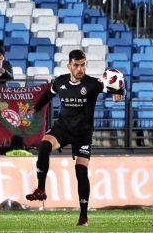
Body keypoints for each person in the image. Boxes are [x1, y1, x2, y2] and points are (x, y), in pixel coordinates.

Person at [25, 49, 125, 226]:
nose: (80, 69)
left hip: (83, 133)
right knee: (44, 146)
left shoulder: (94, 84)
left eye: (83, 65)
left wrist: (120, 94)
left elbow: (115, 89)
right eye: (77, 65)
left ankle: (83, 215)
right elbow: (49, 93)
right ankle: (40, 189)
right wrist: (36, 107)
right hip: (62, 128)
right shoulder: (60, 81)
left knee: (81, 170)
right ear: (69, 66)